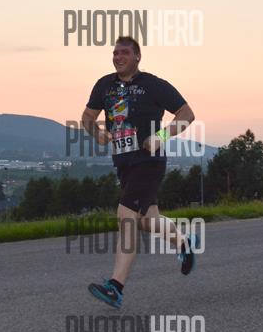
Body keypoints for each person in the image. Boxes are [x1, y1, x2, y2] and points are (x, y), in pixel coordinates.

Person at [81, 36, 198, 309]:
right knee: (146, 221)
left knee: (126, 217)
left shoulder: (153, 85)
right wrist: (97, 133)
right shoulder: (104, 85)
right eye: (115, 53)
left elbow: (186, 114)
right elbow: (87, 117)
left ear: (137, 57)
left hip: (149, 161)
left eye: (124, 52)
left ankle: (116, 287)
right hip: (124, 164)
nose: (118, 57)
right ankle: (184, 243)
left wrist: (160, 136)